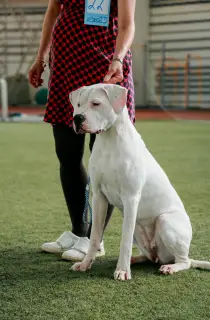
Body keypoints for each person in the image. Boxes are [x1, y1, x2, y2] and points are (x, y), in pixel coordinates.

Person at [28, 0, 136, 262]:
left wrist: (118, 59)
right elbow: (54, 10)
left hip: (105, 66)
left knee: (103, 159)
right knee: (67, 152)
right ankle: (79, 232)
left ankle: (95, 241)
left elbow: (127, 23)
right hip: (67, 65)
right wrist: (42, 56)